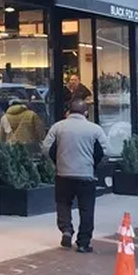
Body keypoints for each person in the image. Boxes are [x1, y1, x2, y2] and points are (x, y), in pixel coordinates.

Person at [41, 98, 107, 253]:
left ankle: (66, 229)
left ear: (68, 112)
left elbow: (46, 149)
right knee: (86, 209)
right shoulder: (95, 129)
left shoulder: (58, 127)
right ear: (86, 113)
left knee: (63, 203)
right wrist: (94, 166)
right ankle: (83, 243)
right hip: (86, 175)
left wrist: (57, 163)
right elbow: (105, 152)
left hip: (63, 174)